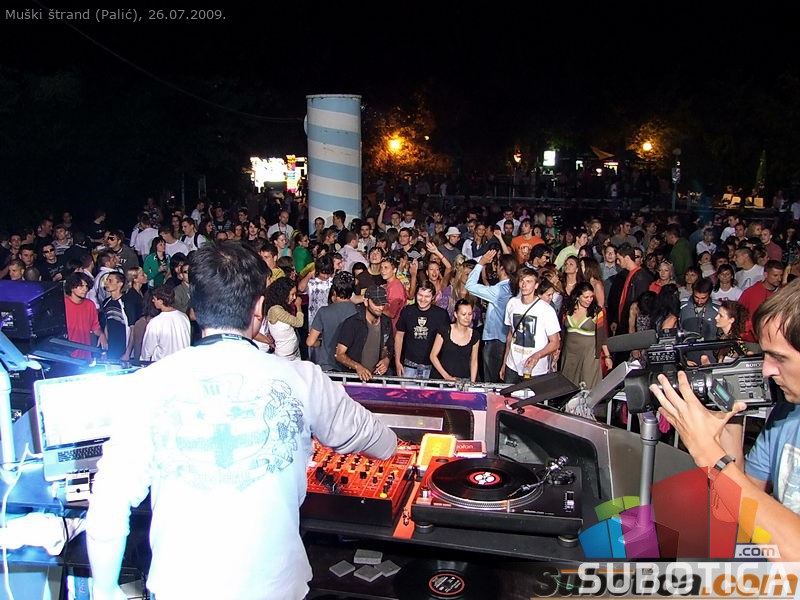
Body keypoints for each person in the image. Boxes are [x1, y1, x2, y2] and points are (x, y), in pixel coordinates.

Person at [87, 241, 397, 600]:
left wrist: (104, 588)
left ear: (194, 310)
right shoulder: (302, 379)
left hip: (179, 588)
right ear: (259, 308)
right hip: (276, 590)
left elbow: (108, 501)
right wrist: (393, 444)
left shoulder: (147, 384)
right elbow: (378, 440)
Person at [652, 278, 800, 562]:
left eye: (779, 358)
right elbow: (743, 505)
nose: (766, 370)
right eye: (765, 355)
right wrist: (729, 423)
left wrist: (711, 455)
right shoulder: (785, 413)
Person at [500, 268, 561, 384]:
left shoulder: (546, 310)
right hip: (512, 366)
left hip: (536, 370)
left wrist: (537, 356)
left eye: (529, 281)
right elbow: (510, 336)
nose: (524, 285)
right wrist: (504, 363)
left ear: (536, 285)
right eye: (522, 281)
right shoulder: (512, 303)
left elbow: (555, 342)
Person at [466, 249, 518, 383]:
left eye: (497, 265)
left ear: (501, 268)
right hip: (508, 340)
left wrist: (481, 263)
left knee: (492, 382)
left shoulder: (499, 290)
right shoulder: (515, 288)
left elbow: (470, 285)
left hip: (496, 341)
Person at [335, 285, 394, 381]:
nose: (380, 308)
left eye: (383, 304)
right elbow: (339, 354)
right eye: (376, 303)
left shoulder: (386, 322)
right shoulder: (353, 323)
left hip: (377, 379)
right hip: (354, 380)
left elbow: (387, 347)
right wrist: (357, 367)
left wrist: (386, 360)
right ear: (366, 302)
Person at [394, 281, 450, 380]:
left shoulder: (441, 315)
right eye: (420, 295)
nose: (423, 299)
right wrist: (397, 362)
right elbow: (399, 336)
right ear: (416, 294)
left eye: (427, 296)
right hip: (409, 366)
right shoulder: (407, 311)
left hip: (432, 368)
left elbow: (447, 341)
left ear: (433, 297)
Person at [560, 282, 612, 388]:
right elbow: (561, 333)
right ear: (577, 296)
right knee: (568, 384)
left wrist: (607, 356)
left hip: (589, 354)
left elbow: (602, 336)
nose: (589, 300)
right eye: (586, 297)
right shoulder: (567, 310)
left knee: (588, 384)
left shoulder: (597, 312)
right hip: (569, 354)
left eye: (591, 297)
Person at [306, 271, 359, 372]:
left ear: (334, 291)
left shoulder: (323, 312)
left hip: (328, 367)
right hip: (351, 367)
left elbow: (310, 342)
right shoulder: (358, 311)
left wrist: (322, 342)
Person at [430, 298, 481, 382]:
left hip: (464, 380)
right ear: (456, 314)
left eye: (470, 314)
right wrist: (447, 377)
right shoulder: (445, 330)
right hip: (442, 379)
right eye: (463, 314)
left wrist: (472, 383)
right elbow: (433, 356)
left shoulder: (475, 335)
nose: (467, 317)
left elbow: (474, 361)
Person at [140, 285, 191, 362]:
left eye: (154, 299)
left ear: (161, 301)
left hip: (162, 365)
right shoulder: (184, 317)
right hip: (183, 363)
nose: (153, 301)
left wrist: (143, 362)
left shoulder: (156, 322)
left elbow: (147, 350)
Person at [63, 272, 107, 360]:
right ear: (72, 287)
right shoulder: (63, 304)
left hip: (86, 355)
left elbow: (95, 327)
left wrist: (102, 334)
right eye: (81, 286)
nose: (85, 289)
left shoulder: (90, 304)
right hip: (67, 355)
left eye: (86, 286)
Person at [264, 276, 304, 360]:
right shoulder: (276, 310)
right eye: (292, 294)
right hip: (285, 357)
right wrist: (298, 306)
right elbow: (299, 323)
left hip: (294, 353)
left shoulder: (280, 307)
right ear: (283, 293)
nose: (294, 297)